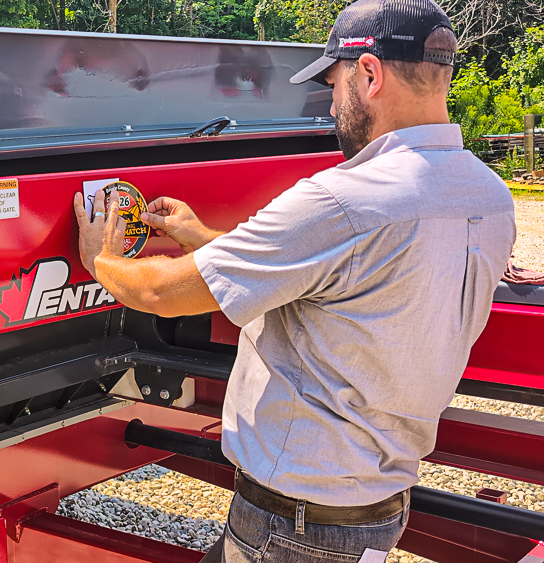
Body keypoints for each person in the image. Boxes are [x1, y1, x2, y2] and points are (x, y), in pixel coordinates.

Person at [72, 0, 517, 561]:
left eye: (333, 85)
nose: (331, 106)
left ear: (370, 74)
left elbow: (161, 292)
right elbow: (340, 282)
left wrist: (101, 260)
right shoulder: (489, 196)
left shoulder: (344, 200)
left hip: (295, 525)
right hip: (375, 508)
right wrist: (201, 236)